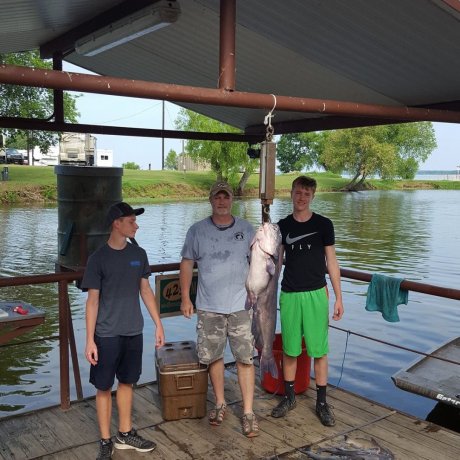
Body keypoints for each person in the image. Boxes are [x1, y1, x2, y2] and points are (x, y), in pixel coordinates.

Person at [82, 202, 165, 460]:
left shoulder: (139, 255)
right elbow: (92, 302)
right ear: (116, 224)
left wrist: (158, 324)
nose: (136, 225)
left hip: (133, 331)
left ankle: (125, 433)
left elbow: (146, 291)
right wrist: (89, 341)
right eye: (131, 221)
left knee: (128, 382)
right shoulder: (97, 259)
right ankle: (106, 440)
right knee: (104, 386)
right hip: (106, 334)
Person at [179, 181, 259, 437]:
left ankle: (248, 412)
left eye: (226, 197)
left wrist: (260, 293)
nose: (222, 201)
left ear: (232, 200)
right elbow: (186, 263)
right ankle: (221, 403)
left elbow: (262, 264)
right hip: (208, 307)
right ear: (210, 200)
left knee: (245, 359)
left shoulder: (247, 229)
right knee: (214, 357)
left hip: (242, 307)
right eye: (217, 197)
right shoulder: (196, 231)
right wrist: (184, 297)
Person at [271, 176, 344, 426]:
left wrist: (338, 298)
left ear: (313, 196)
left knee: (319, 350)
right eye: (297, 192)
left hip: (316, 293)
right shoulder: (281, 226)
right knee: (290, 349)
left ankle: (322, 403)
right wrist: (266, 293)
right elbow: (276, 263)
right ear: (290, 193)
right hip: (290, 294)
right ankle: (289, 397)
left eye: (306, 193)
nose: (301, 197)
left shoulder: (324, 224)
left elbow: (332, 263)